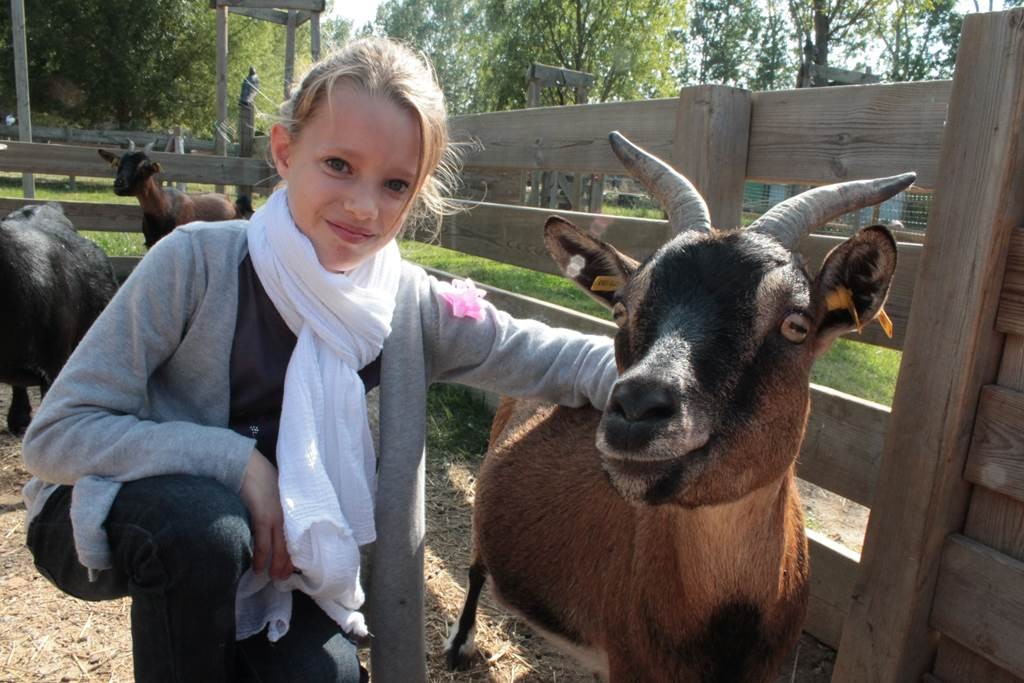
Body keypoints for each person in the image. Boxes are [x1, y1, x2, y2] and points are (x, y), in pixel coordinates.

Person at [21, 37, 616, 683]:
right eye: (338, 164)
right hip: (124, 510)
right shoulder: (194, 262)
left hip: (281, 565)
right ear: (284, 151)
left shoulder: (407, 305)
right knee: (203, 529)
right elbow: (54, 435)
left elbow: (544, 352)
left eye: (395, 184)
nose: (364, 205)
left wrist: (667, 377)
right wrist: (238, 463)